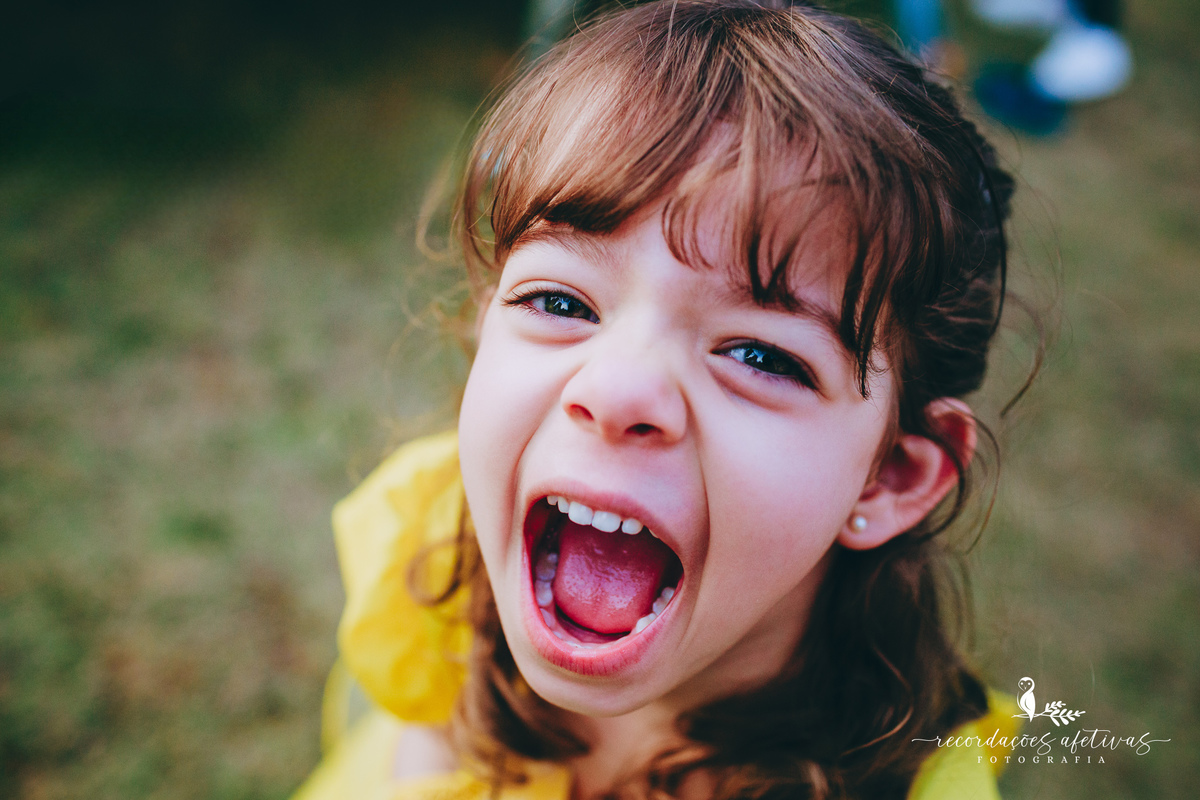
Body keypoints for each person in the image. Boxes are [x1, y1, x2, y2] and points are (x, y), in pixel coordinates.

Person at [292, 1, 1029, 798]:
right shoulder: (444, 542)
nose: (614, 392)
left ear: (890, 478)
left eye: (761, 356)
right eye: (563, 303)